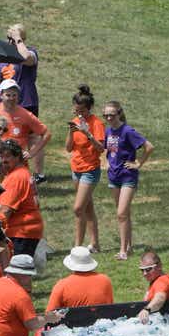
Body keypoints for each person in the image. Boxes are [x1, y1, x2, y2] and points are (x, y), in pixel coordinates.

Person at [102, 100, 154, 260]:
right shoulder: (108, 131)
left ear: (119, 113)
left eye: (112, 115)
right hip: (114, 175)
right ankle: (129, 247)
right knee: (123, 214)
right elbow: (108, 150)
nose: (109, 118)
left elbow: (149, 147)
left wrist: (138, 163)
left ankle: (123, 250)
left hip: (127, 176)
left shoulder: (127, 131)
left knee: (121, 213)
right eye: (106, 115)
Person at [66, 85, 105, 251]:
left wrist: (87, 133)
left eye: (81, 111)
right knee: (88, 208)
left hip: (90, 170)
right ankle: (95, 244)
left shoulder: (96, 123)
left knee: (78, 208)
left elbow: (101, 148)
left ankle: (77, 246)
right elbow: (68, 148)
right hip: (76, 169)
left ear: (89, 108)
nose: (78, 114)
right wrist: (71, 130)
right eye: (76, 110)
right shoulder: (75, 122)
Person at [0, 140, 43, 257]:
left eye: (8, 156)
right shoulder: (24, 173)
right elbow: (36, 202)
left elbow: (5, 211)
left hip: (20, 232)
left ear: (18, 157)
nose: (3, 160)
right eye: (1, 157)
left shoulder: (16, 177)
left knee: (16, 272)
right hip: (28, 231)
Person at [0, 79, 50, 165]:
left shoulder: (25, 114)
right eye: (8, 95)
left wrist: (32, 153)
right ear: (1, 95)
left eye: (14, 95)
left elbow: (46, 134)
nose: (11, 98)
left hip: (18, 164)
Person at [47, 247, 114, 310]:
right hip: (101, 321)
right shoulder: (105, 280)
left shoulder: (62, 285)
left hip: (73, 322)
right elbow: (109, 307)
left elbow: (50, 313)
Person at [137, 250, 169, 323]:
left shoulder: (161, 281)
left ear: (159, 266)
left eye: (148, 269)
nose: (144, 273)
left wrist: (147, 310)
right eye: (142, 270)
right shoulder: (156, 280)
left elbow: (160, 298)